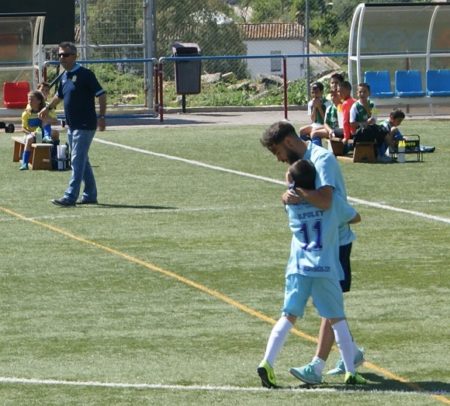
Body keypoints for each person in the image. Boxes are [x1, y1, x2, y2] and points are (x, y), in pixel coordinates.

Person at [259, 121, 365, 385]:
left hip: (335, 243)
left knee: (330, 308)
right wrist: (288, 195)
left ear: (288, 142)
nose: (278, 159)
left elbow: (326, 200)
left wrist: (297, 193)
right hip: (320, 244)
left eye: (277, 152)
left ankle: (318, 365)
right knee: (331, 308)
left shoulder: (322, 159)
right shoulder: (300, 166)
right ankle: (350, 354)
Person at [40, 41, 106, 206]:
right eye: (60, 55)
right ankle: (90, 194)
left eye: (66, 55)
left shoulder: (86, 74)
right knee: (82, 160)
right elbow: (59, 96)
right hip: (72, 125)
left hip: (85, 125)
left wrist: (102, 116)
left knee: (76, 160)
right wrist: (47, 108)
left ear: (75, 56)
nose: (62, 58)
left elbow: (101, 94)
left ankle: (70, 197)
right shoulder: (64, 75)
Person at [350, 82, 390, 161]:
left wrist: (368, 110)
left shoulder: (373, 104)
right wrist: (364, 123)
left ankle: (385, 152)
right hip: (360, 132)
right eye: (360, 92)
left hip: (371, 129)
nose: (362, 94)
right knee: (373, 131)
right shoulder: (355, 106)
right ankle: (379, 154)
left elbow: (374, 120)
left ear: (369, 93)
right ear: (357, 93)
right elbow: (352, 124)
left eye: (364, 92)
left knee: (383, 130)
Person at [19, 90, 53, 170]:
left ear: (39, 101)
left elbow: (53, 121)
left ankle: (54, 158)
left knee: (55, 133)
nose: (29, 101)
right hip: (32, 135)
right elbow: (23, 128)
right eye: (28, 99)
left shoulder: (44, 111)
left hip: (43, 135)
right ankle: (25, 164)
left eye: (32, 99)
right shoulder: (26, 113)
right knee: (29, 138)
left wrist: (45, 118)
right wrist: (31, 133)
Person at [299, 82, 331, 146]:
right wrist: (314, 107)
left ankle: (318, 149)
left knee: (314, 131)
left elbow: (326, 119)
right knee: (301, 130)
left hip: (325, 125)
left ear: (321, 92)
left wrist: (319, 107)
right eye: (313, 93)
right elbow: (313, 120)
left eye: (316, 92)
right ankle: (308, 147)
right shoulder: (311, 103)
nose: (314, 95)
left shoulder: (327, 103)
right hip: (315, 124)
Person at [329, 81, 356, 155]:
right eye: (338, 91)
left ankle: (342, 150)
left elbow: (345, 122)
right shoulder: (355, 101)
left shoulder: (345, 103)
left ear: (348, 91)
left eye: (342, 91)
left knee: (334, 131)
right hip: (356, 130)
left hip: (351, 132)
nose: (339, 94)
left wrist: (346, 137)